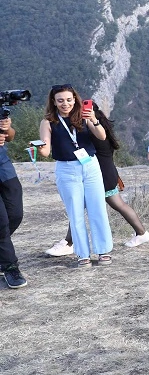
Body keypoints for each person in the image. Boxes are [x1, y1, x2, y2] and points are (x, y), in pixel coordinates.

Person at [46, 103, 149, 255]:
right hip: (107, 173)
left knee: (79, 208)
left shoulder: (91, 129)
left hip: (98, 175)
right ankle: (141, 233)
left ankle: (69, 243)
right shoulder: (101, 126)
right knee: (117, 204)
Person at [37, 84, 113, 268]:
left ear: (75, 99)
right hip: (67, 169)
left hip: (90, 165)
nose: (65, 104)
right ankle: (82, 254)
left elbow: (101, 136)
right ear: (54, 102)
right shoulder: (48, 122)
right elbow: (46, 151)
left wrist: (93, 119)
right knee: (75, 212)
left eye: (69, 100)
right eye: (60, 100)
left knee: (98, 208)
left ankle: (103, 250)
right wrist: (39, 148)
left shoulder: (84, 115)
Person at [0, 115, 26, 288]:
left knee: (15, 214)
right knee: (1, 222)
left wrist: (7, 128)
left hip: (3, 166)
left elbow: (10, 136)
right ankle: (9, 266)